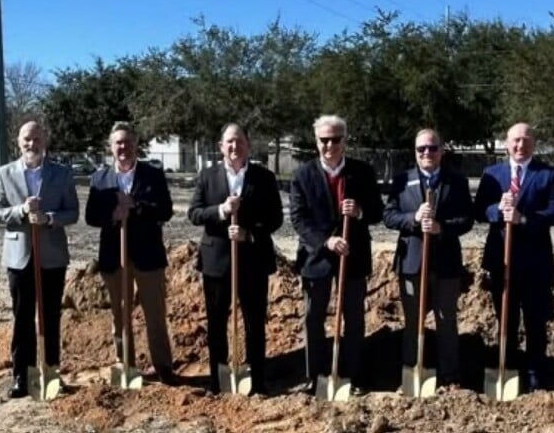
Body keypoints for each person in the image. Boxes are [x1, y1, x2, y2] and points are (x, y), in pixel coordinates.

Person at [289, 115, 384, 396]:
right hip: (316, 258)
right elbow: (298, 218)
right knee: (313, 318)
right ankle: (315, 376)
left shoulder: (362, 172)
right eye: (323, 140)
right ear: (316, 141)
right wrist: (326, 241)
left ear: (345, 140)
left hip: (353, 259)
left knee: (353, 318)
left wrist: (360, 212)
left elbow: (378, 212)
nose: (329, 145)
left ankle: (352, 375)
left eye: (335, 139)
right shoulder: (303, 175)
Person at [187, 123, 283, 395]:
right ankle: (219, 381)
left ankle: (258, 381)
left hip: (253, 263)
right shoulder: (207, 177)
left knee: (254, 324)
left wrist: (249, 233)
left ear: (248, 145)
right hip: (217, 262)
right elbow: (194, 213)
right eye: (229, 142)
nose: (234, 146)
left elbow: (276, 217)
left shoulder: (264, 178)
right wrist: (221, 210)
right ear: (221, 147)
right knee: (217, 324)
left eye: (239, 141)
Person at [473, 122, 554, 392]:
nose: (520, 145)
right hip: (501, 260)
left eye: (525, 140)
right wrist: (496, 211)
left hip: (535, 262)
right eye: (515, 140)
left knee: (536, 321)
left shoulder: (548, 175)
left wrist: (524, 218)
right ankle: (508, 369)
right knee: (506, 320)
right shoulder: (493, 174)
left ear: (533, 144)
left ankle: (536, 374)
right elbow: (479, 210)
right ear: (506, 143)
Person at [0, 121, 79, 398]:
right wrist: (20, 211)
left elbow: (73, 211)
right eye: (27, 139)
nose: (32, 144)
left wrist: (49, 218)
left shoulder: (62, 174)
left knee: (51, 317)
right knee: (22, 317)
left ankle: (51, 376)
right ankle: (23, 377)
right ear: (19, 142)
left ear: (45, 141)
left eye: (37, 139)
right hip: (19, 257)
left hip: (52, 255)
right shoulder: (4, 173)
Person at [84, 122, 176, 384]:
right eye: (118, 143)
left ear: (135, 144)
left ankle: (163, 366)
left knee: (155, 313)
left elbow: (165, 210)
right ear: (111, 147)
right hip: (114, 257)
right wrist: (113, 215)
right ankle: (126, 366)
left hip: (148, 256)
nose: (122, 147)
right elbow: (91, 216)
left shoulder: (152, 175)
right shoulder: (99, 178)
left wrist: (135, 206)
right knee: (119, 314)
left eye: (127, 142)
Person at [383, 128, 473, 390]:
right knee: (412, 322)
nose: (427, 153)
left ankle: (450, 375)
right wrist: (413, 219)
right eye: (421, 149)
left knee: (447, 321)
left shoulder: (456, 182)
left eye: (432, 148)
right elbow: (389, 216)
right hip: (412, 262)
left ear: (441, 151)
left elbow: (467, 219)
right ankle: (412, 371)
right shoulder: (402, 181)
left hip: (445, 264)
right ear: (415, 152)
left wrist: (441, 227)